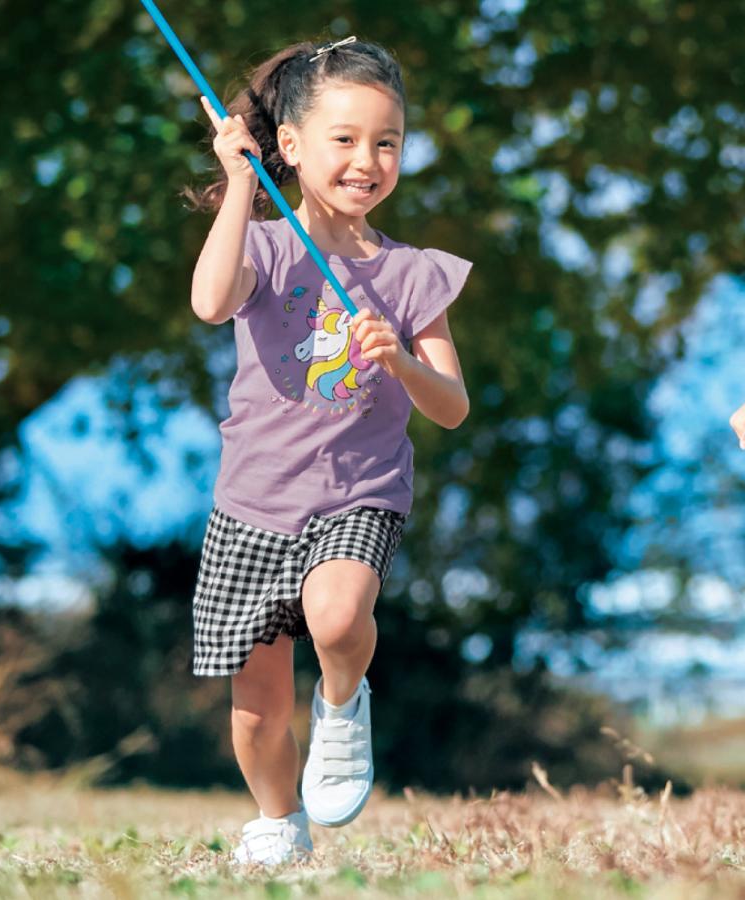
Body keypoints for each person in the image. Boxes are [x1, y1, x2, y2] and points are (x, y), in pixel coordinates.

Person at [181, 35, 473, 867]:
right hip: (253, 502)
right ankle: (278, 820)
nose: (366, 160)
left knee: (340, 616)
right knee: (257, 709)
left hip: (359, 492)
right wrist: (241, 184)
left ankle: (345, 702)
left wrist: (403, 361)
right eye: (344, 139)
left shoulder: (415, 274)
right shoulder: (266, 251)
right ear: (292, 146)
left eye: (386, 142)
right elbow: (209, 302)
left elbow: (449, 408)